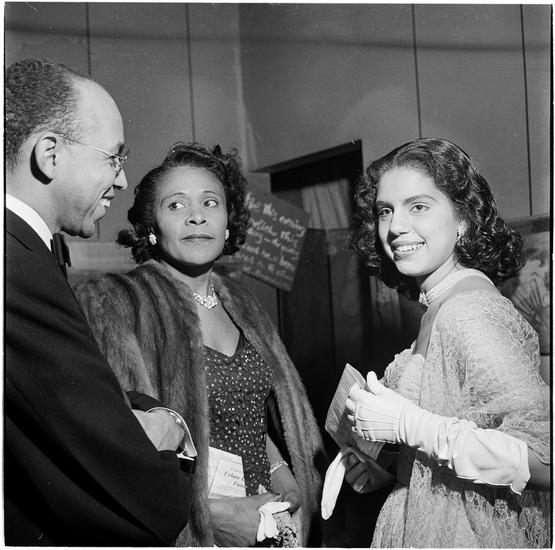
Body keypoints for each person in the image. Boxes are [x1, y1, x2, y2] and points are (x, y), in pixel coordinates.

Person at [75, 142, 325, 547]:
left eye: (211, 202)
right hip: (188, 531)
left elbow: (245, 416)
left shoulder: (243, 303)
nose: (197, 216)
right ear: (151, 226)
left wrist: (284, 477)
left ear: (228, 222)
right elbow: (115, 450)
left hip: (267, 521)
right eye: (176, 205)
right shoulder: (116, 305)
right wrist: (210, 519)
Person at [5, 59, 193, 545]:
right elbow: (142, 502)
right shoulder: (17, 269)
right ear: (49, 154)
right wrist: (164, 429)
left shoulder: (31, 253)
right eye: (113, 158)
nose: (122, 181)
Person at [341, 138, 550, 547]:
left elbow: (545, 459)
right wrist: (390, 470)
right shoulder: (441, 304)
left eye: (418, 206)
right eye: (385, 210)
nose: (395, 227)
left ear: (463, 220)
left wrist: (409, 423)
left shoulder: (467, 310)